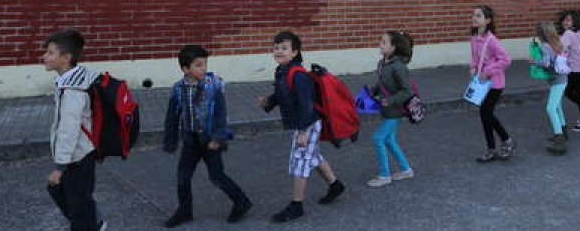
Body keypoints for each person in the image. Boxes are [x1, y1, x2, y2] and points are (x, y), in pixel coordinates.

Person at [258, 31, 345, 223]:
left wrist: (304, 132)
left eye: (284, 48)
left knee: (300, 162)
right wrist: (269, 102)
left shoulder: (298, 75)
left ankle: (296, 206)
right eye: (276, 47)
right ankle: (335, 185)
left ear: (295, 52)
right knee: (313, 156)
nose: (279, 51)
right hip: (302, 122)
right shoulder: (282, 71)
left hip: (308, 123)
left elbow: (306, 104)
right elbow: (282, 94)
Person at [162, 45, 252, 227]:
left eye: (205, 64)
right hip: (190, 140)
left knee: (216, 176)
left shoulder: (214, 86)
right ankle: (185, 211)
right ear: (185, 69)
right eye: (198, 65)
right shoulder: (178, 89)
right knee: (183, 176)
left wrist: (218, 138)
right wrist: (170, 141)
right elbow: (172, 117)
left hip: (211, 139)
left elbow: (221, 113)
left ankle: (241, 201)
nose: (203, 69)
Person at [42, 29, 106, 231]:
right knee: (75, 198)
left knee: (76, 202)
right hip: (83, 152)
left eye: (51, 53)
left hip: (77, 156)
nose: (45, 57)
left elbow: (68, 130)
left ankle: (89, 225)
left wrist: (59, 166)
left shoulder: (72, 90)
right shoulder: (76, 77)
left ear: (66, 58)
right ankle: (93, 223)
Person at [366, 31, 415, 187]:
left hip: (394, 111)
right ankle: (406, 170)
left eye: (384, 42)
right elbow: (382, 84)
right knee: (390, 140)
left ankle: (384, 175)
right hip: (386, 110)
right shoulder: (382, 64)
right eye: (381, 41)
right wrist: (372, 92)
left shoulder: (399, 67)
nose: (380, 44)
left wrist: (390, 100)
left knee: (378, 138)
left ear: (393, 47)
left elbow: (408, 91)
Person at [469, 5, 514, 162]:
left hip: (495, 84)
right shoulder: (474, 38)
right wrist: (473, 68)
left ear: (487, 20)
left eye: (479, 15)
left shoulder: (492, 40)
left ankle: (507, 140)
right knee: (484, 115)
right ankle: (491, 149)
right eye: (474, 15)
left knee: (486, 113)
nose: (474, 18)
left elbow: (506, 60)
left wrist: (487, 72)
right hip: (481, 84)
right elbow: (474, 58)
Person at [534, 22, 570, 154]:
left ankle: (559, 139)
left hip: (556, 80)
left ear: (541, 34)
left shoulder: (545, 46)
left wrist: (535, 62)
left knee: (550, 108)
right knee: (557, 106)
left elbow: (547, 63)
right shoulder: (557, 42)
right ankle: (563, 130)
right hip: (563, 78)